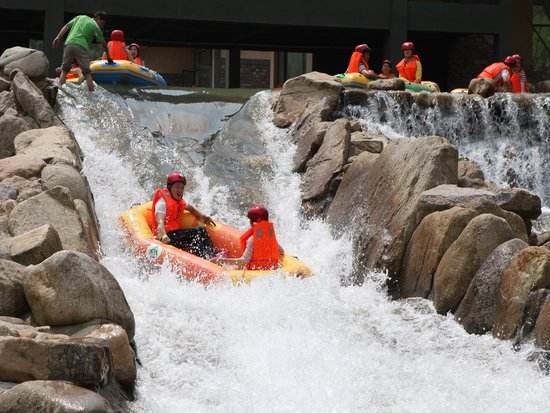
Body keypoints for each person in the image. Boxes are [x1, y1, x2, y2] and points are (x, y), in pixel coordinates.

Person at [152, 171, 217, 259]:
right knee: (197, 232)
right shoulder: (162, 203)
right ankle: (205, 258)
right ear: (170, 187)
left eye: (182, 187)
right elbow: (160, 223)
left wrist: (203, 217)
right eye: (177, 187)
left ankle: (212, 255)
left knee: (202, 230)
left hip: (175, 234)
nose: (180, 190)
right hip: (167, 236)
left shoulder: (178, 201)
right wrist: (163, 236)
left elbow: (191, 208)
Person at [52, 11, 112, 92]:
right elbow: (104, 43)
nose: (102, 26)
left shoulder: (79, 17)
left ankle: (59, 91)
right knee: (87, 73)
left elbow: (66, 26)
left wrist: (58, 37)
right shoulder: (95, 26)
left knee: (64, 70)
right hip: (81, 46)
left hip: (69, 44)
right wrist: (108, 57)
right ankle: (92, 95)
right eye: (102, 23)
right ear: (98, 18)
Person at [214, 205, 284, 270]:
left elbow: (244, 261)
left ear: (253, 222)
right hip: (271, 269)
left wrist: (221, 260)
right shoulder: (270, 237)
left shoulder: (252, 239)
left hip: (256, 273)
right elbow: (281, 251)